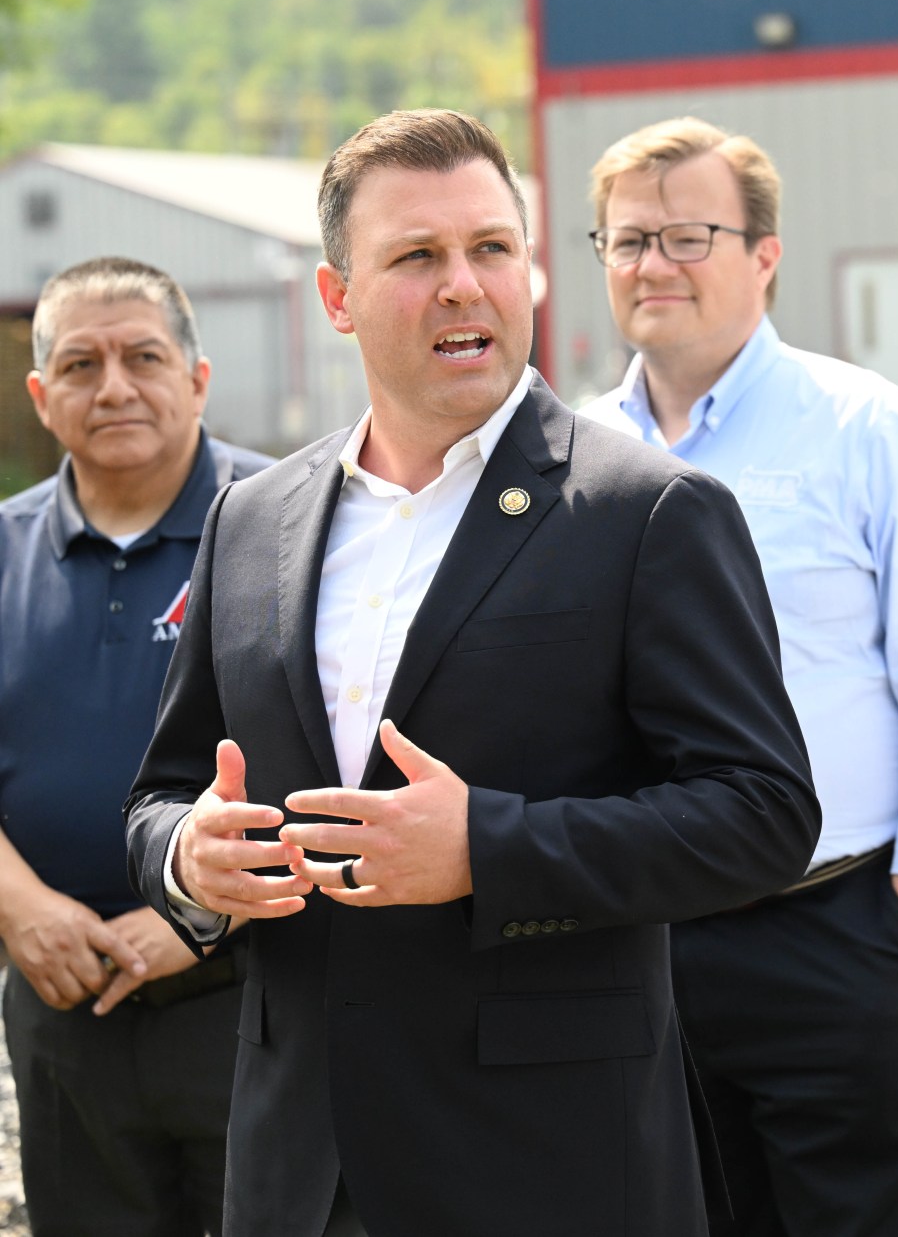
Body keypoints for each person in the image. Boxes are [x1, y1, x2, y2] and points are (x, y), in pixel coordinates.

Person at [124, 109, 819, 1237]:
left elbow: (763, 814)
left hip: (547, 1167)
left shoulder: (647, 514)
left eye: (492, 248)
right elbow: (159, 795)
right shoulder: (249, 523)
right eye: (416, 256)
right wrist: (189, 862)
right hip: (300, 1170)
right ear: (336, 297)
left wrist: (484, 848)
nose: (464, 285)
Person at [579, 117, 898, 1237]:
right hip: (642, 945)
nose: (653, 264)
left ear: (765, 254)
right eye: (626, 241)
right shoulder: (573, 460)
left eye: (689, 235)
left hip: (840, 928)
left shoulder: (866, 431)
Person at [0, 257, 271, 1236]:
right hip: (62, 1005)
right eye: (79, 364)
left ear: (197, 377)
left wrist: (202, 915)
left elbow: (345, 754)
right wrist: (19, 905)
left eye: (142, 356)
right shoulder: (3, 547)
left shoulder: (290, 526)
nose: (112, 386)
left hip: (256, 1000)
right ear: (41, 395)